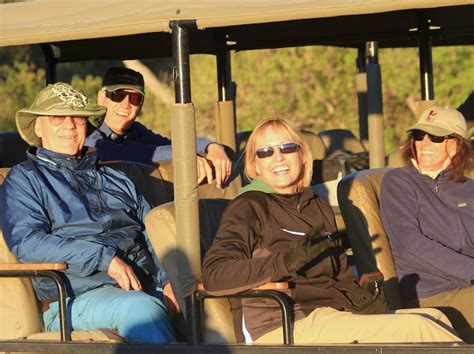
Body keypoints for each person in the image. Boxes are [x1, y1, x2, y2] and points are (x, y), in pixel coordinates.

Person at [202, 117, 463, 344]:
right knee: (418, 329)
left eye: (287, 148)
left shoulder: (317, 206)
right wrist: (283, 262)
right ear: (254, 166)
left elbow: (339, 277)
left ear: (302, 155)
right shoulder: (250, 206)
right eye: (265, 152)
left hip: (329, 315)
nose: (278, 157)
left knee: (434, 316)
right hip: (286, 323)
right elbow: (215, 275)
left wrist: (363, 297)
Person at [0, 82, 179, 343]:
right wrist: (104, 258)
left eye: (78, 117)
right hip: (72, 297)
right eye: (57, 116)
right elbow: (27, 242)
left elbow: (152, 230)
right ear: (38, 126)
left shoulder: (116, 176)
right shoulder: (24, 179)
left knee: (203, 301)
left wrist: (170, 278)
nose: (70, 125)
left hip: (143, 284)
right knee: (143, 311)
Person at [380, 106, 474, 343]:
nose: (424, 143)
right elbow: (409, 245)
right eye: (419, 135)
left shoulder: (469, 188)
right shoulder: (399, 182)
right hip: (430, 294)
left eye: (436, 137)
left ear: (456, 145)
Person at [85, 67, 232, 188]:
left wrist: (211, 147)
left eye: (135, 98)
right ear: (101, 97)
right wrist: (185, 155)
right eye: (118, 95)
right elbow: (133, 153)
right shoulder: (88, 135)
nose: (126, 104)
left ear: (140, 105)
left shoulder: (135, 131)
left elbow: (171, 145)